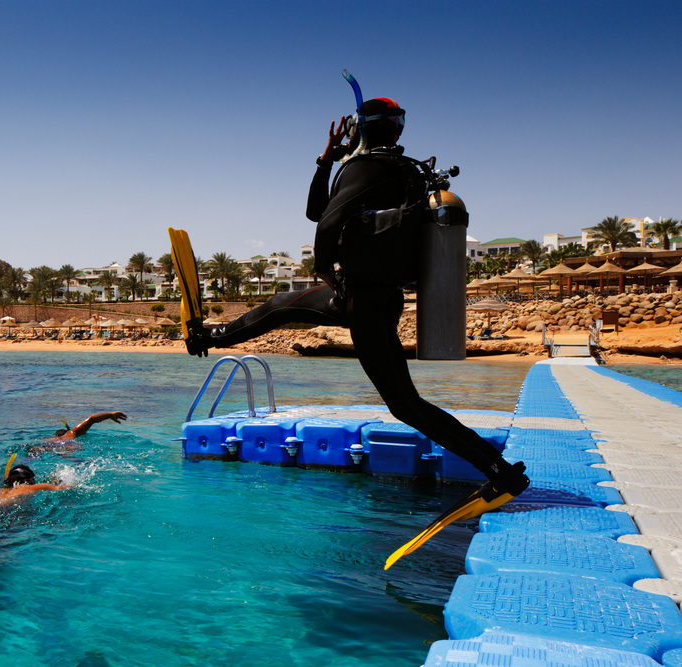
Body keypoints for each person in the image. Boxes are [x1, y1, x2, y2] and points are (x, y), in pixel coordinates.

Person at [183, 97, 529, 560]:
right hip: (379, 296)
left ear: (359, 128)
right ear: (396, 129)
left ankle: (499, 471)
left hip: (362, 295)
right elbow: (317, 210)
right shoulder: (400, 170)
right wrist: (326, 161)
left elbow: (324, 224)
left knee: (404, 405)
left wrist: (329, 273)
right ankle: (208, 335)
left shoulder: (366, 167)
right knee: (287, 307)